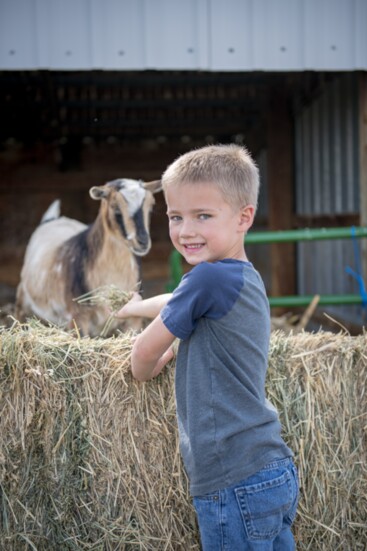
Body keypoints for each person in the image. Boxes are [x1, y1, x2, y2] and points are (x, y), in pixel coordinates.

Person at [116, 144, 299, 550]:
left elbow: (141, 358)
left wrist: (154, 361)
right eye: (175, 217)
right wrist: (135, 307)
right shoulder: (242, 277)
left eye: (203, 216)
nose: (186, 231)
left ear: (243, 217)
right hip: (270, 468)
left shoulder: (208, 280)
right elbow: (178, 302)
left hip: (231, 478)